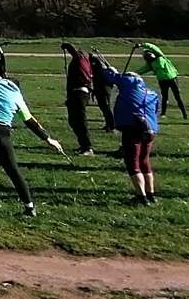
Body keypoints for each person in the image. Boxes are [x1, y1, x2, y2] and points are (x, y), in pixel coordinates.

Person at [0, 67, 63, 218]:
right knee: (12, 169)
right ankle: (29, 207)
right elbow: (30, 122)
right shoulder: (18, 97)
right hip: (0, 130)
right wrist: (48, 139)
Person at [92, 54, 161, 204]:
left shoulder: (130, 81)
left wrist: (110, 69)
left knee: (133, 162)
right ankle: (151, 194)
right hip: (150, 130)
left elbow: (110, 76)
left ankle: (140, 197)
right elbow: (155, 111)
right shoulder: (152, 93)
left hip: (133, 128)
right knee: (145, 161)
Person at [59, 42, 96, 155]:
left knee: (79, 121)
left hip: (79, 93)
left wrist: (67, 46)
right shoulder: (86, 62)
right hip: (77, 94)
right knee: (73, 121)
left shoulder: (80, 59)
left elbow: (75, 53)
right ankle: (83, 145)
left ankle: (87, 147)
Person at [138, 42, 187, 120]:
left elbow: (153, 47)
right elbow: (142, 70)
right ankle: (163, 114)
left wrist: (141, 44)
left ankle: (185, 114)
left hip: (172, 78)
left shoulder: (161, 56)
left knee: (177, 97)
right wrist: (133, 73)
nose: (149, 56)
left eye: (149, 54)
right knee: (164, 97)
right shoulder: (150, 64)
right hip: (162, 81)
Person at [87, 48, 117, 133]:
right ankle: (108, 124)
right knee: (102, 106)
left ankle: (112, 125)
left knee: (106, 106)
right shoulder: (92, 61)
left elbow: (100, 75)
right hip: (99, 86)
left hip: (104, 86)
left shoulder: (96, 62)